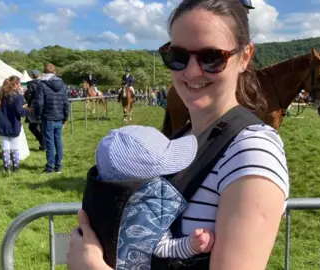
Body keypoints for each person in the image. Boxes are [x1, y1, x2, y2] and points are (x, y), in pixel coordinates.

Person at [67, 0, 289, 269]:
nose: (192, 71)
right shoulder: (178, 141)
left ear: (244, 57)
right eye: (178, 57)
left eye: (211, 58)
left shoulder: (252, 152)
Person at [92, 126, 215, 261]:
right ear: (148, 178)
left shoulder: (99, 194)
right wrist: (191, 246)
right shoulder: (142, 207)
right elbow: (162, 247)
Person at [34, 63, 70, 174]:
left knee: (49, 142)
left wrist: (38, 116)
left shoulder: (42, 85)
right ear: (54, 72)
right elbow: (66, 103)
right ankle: (58, 166)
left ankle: (49, 167)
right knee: (58, 141)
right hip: (59, 117)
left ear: (44, 72)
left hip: (47, 117)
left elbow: (39, 103)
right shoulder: (63, 85)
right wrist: (65, 117)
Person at [0, 75, 28, 173]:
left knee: (5, 147)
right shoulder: (18, 96)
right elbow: (19, 111)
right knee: (14, 147)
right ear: (17, 84)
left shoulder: (0, 95)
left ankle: (6, 167)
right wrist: (26, 111)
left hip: (1, 124)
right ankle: (15, 166)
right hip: (13, 123)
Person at [24, 69, 45, 151]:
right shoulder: (43, 82)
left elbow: (28, 96)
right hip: (43, 106)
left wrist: (26, 93)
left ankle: (43, 143)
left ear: (32, 76)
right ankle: (43, 143)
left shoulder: (31, 84)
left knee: (32, 126)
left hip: (34, 106)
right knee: (41, 126)